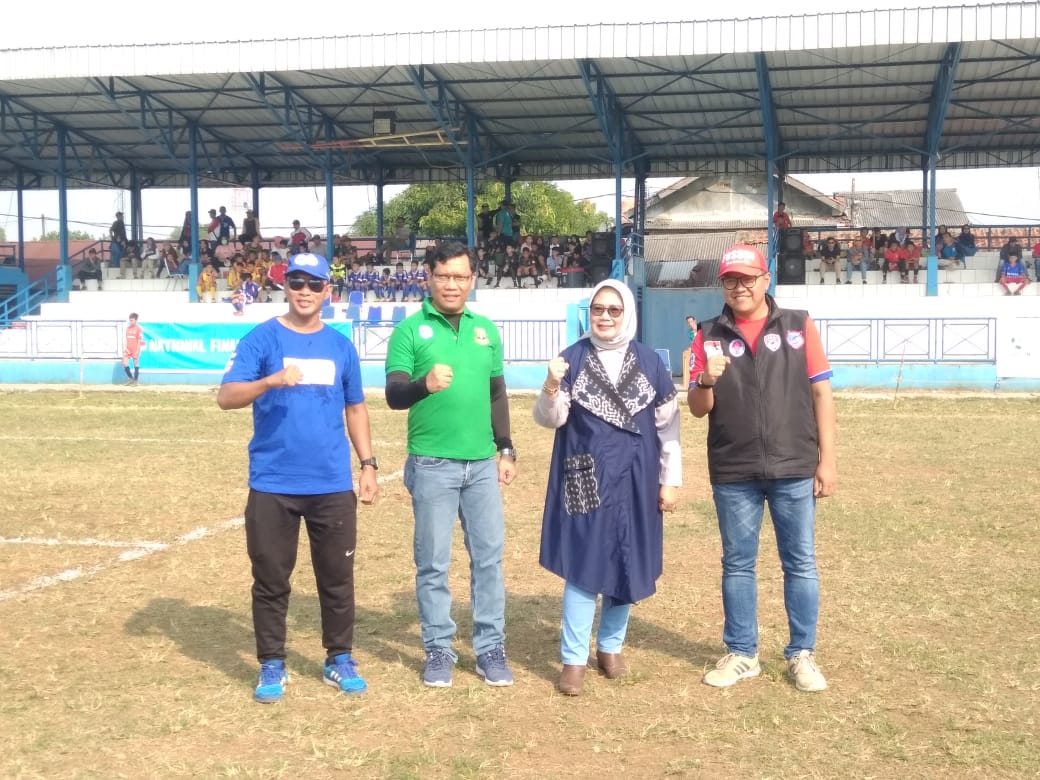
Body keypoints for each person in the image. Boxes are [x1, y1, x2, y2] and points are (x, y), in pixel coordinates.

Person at [217, 251, 379, 703]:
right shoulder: (261, 339)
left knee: (336, 578)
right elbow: (226, 397)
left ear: (329, 291)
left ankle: (339, 657)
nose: (304, 291)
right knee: (271, 579)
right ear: (284, 286)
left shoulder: (341, 346)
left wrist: (368, 465)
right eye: (296, 282)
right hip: (272, 484)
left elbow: (355, 408)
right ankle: (272, 664)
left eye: (314, 284)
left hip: (331, 484)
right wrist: (269, 382)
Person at [687, 244, 836, 693]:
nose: (740, 287)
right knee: (737, 564)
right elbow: (697, 408)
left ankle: (801, 654)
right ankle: (742, 653)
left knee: (801, 563)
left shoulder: (798, 325)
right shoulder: (708, 334)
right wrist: (706, 378)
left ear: (765, 280)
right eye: (731, 279)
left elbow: (821, 396)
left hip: (794, 465)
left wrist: (827, 461)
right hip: (735, 469)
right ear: (723, 285)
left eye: (747, 278)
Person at [533, 279, 681, 696]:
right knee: (583, 564)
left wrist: (670, 480)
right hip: (584, 473)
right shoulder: (571, 359)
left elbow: (668, 429)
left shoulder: (651, 363)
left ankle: (611, 648)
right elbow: (550, 419)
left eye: (614, 310)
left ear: (627, 314)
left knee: (627, 558)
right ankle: (573, 658)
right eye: (598, 309)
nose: (605, 317)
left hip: (637, 475)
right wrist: (550, 385)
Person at [384, 241, 518, 689]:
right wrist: (425, 384)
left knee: (488, 560)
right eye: (444, 276)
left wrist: (506, 448)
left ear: (472, 279)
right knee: (433, 564)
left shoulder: (486, 330)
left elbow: (497, 394)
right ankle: (439, 650)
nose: (452, 284)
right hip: (432, 465)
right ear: (429, 277)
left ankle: (489, 648)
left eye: (460, 276)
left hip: (481, 465)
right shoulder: (410, 330)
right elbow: (394, 395)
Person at [122, 312, 143, 386]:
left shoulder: (139, 329)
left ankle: (136, 381)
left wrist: (137, 351)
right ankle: (131, 378)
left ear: (136, 320)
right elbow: (126, 339)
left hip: (135, 349)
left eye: (132, 320)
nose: (131, 321)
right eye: (130, 320)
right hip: (128, 349)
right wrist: (125, 348)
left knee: (136, 363)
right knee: (124, 363)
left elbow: (139, 341)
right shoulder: (128, 328)